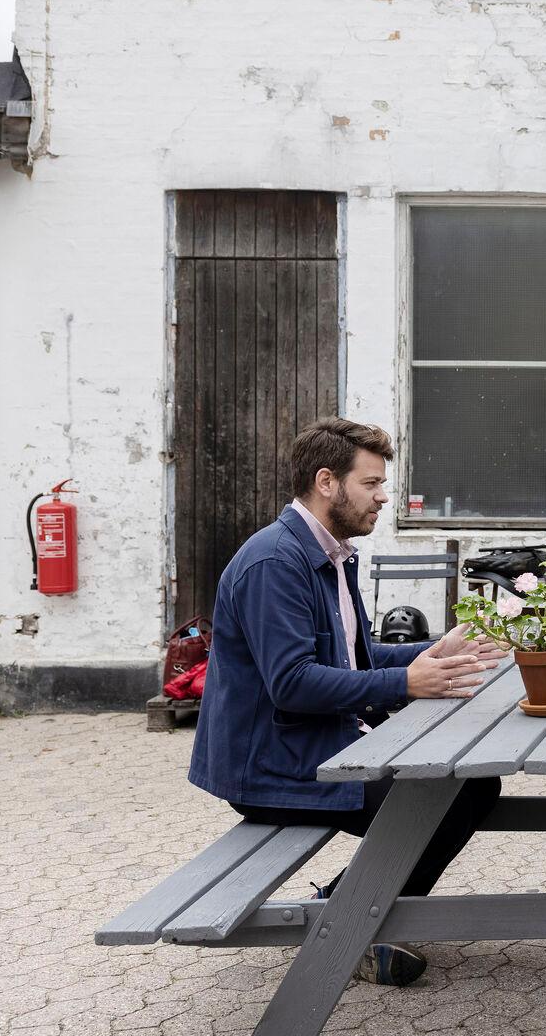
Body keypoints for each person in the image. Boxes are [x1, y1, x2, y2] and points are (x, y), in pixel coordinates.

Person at [187, 417, 505, 987]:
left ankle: (351, 908)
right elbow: (294, 683)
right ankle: (350, 920)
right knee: (450, 792)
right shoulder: (275, 563)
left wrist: (436, 652)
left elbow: (352, 660)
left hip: (314, 748)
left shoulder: (332, 553)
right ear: (327, 482)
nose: (384, 497)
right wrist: (409, 683)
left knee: (472, 781)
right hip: (276, 769)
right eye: (372, 483)